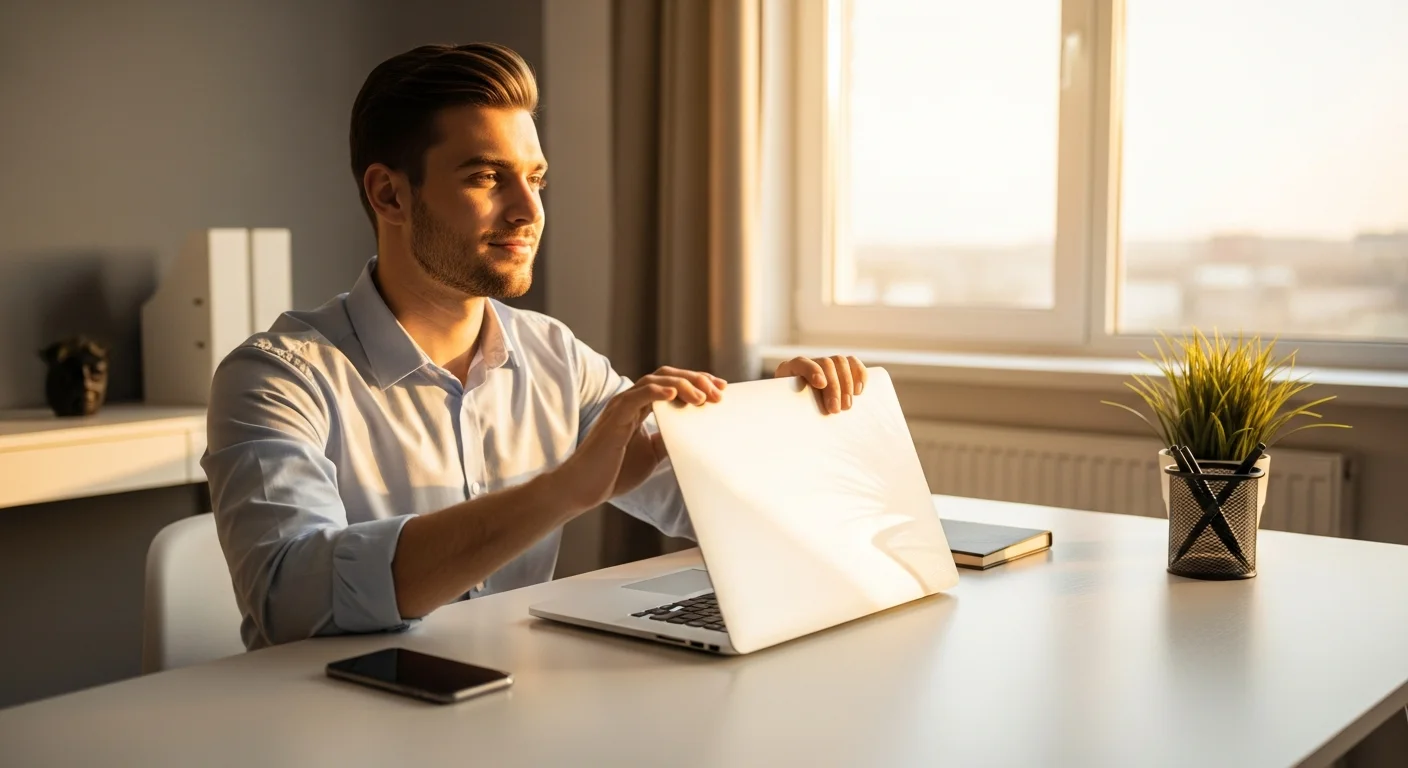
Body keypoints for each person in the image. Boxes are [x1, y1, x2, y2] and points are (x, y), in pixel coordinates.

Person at [202, 42, 867, 650]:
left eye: (536, 178)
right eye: (487, 177)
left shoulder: (557, 358)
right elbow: (290, 597)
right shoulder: (276, 378)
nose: (528, 209)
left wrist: (794, 421)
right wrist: (561, 492)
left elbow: (713, 508)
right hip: (330, 718)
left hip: (512, 706)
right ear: (389, 193)